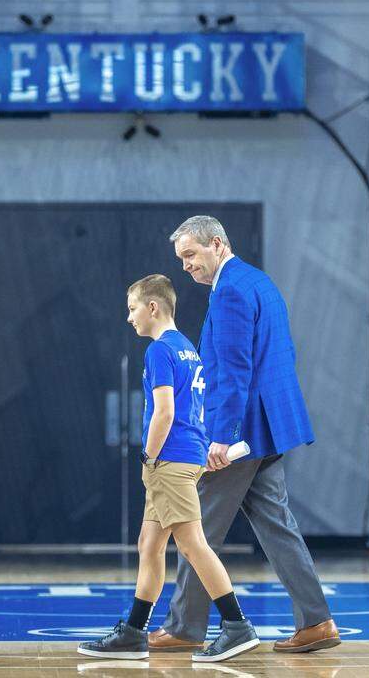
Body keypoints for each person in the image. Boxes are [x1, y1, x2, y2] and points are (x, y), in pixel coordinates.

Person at [150, 216, 340, 655]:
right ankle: (317, 621)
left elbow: (234, 371)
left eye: (191, 255)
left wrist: (221, 437)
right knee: (277, 526)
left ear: (216, 244)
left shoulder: (231, 290)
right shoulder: (258, 281)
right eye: (181, 259)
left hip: (243, 432)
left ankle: (185, 626)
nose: (186, 267)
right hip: (270, 427)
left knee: (195, 525)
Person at [77, 275, 260, 663]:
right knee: (150, 544)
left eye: (132, 308)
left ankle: (236, 625)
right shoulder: (187, 348)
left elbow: (165, 411)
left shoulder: (159, 350)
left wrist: (149, 457)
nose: (129, 318)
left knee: (192, 544)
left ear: (153, 307)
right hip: (184, 456)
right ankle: (133, 632)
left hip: (170, 460)